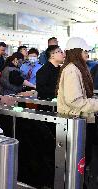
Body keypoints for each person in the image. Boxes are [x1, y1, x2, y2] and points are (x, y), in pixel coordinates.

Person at [56, 37, 96, 189]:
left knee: (81, 160)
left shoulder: (75, 68)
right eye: (85, 51)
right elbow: (75, 101)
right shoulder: (72, 70)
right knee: (79, 160)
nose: (87, 54)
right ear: (77, 52)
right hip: (76, 122)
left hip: (80, 121)